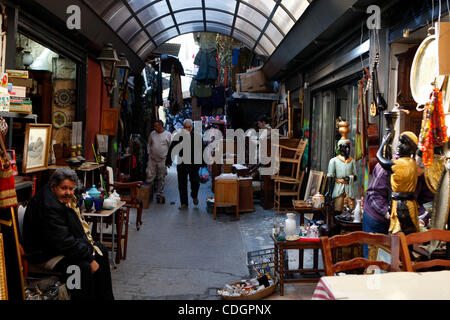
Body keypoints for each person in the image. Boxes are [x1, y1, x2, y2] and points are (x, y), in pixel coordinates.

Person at [23, 168, 114, 300]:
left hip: (58, 247)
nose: (68, 193)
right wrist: (89, 258)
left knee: (101, 251)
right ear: (54, 186)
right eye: (64, 188)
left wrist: (90, 250)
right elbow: (64, 242)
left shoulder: (61, 199)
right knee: (79, 267)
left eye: (71, 189)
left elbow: (76, 230)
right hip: (44, 253)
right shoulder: (48, 206)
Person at [377, 131, 420, 235]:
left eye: (404, 143)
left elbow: (379, 158)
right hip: (406, 204)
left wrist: (384, 143)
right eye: (400, 142)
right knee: (406, 237)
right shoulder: (412, 163)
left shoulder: (402, 163)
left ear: (411, 148)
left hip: (402, 206)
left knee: (400, 237)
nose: (399, 146)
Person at [166, 119, 205, 210]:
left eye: (189, 127)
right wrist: (169, 161)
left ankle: (194, 195)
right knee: (182, 184)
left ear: (192, 127)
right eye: (186, 127)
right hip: (182, 162)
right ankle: (184, 203)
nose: (188, 129)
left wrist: (203, 162)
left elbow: (202, 149)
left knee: (195, 182)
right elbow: (172, 148)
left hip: (194, 163)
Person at [325, 139, 357, 214]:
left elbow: (355, 176)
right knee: (338, 209)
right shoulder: (334, 161)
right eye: (346, 147)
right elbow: (330, 176)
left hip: (349, 189)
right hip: (339, 188)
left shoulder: (352, 161)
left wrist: (350, 178)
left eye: (349, 147)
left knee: (351, 209)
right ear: (340, 148)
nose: (348, 149)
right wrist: (329, 191)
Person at [146, 119, 172, 204]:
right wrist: (149, 153)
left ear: (161, 126)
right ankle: (148, 193)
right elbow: (149, 144)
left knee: (161, 177)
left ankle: (159, 194)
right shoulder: (152, 134)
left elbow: (171, 148)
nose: (154, 127)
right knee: (149, 175)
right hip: (152, 159)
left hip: (162, 160)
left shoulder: (168, 135)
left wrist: (169, 161)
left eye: (156, 126)